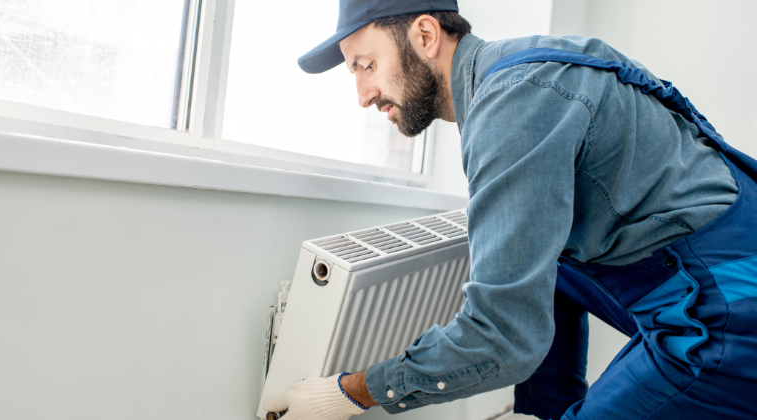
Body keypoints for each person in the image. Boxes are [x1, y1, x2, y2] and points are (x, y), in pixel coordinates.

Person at [264, 0, 757, 419]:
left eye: (365, 65)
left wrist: (349, 393)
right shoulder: (530, 65)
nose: (363, 95)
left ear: (426, 35)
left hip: (729, 305)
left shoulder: (511, 109)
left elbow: (501, 336)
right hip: (714, 261)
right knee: (543, 254)